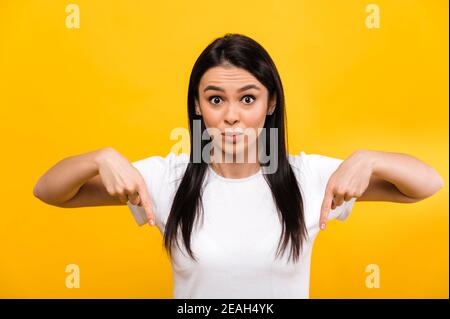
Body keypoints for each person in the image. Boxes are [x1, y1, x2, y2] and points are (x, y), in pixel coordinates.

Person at [33, 33, 444, 299]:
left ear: (271, 104)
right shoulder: (168, 177)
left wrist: (369, 158)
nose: (231, 115)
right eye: (216, 99)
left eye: (248, 99)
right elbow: (49, 192)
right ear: (198, 106)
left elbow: (427, 184)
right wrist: (99, 158)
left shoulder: (309, 177)